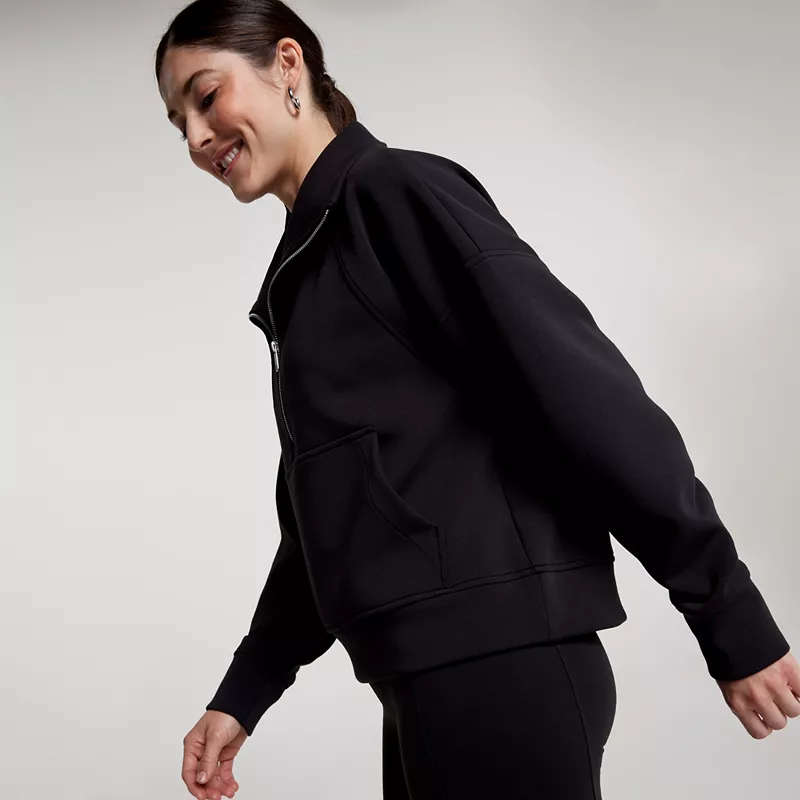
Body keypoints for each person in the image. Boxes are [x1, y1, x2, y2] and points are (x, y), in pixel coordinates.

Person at [156, 2, 800, 798]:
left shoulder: (394, 195)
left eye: (206, 96)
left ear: (288, 64)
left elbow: (585, 395)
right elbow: (330, 510)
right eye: (178, 123)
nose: (196, 136)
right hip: (432, 678)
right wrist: (246, 688)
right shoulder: (308, 269)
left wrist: (725, 608)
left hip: (499, 670)